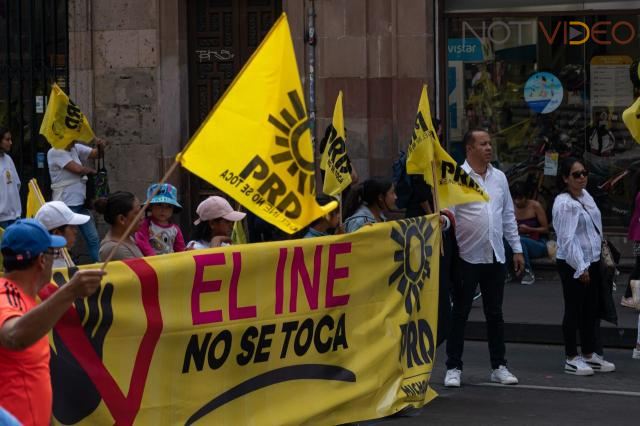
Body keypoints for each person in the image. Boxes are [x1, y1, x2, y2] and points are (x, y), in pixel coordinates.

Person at [0, 219, 105, 425]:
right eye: (54, 253)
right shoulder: (6, 295)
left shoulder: (24, 298)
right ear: (42, 260)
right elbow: (12, 336)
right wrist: (70, 292)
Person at [444, 129, 524, 388]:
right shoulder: (456, 177)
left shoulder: (499, 177)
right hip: (467, 256)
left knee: (495, 313)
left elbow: (508, 215)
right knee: (461, 313)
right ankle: (453, 367)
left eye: (490, 143)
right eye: (483, 144)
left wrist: (517, 248)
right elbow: (449, 214)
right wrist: (442, 221)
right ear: (470, 149)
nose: (489, 147)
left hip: (495, 255)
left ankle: (499, 366)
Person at [552, 158, 616, 375]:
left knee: (590, 309)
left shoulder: (586, 196)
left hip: (593, 260)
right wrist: (581, 267)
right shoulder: (564, 203)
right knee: (573, 309)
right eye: (576, 174)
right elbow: (567, 239)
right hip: (574, 263)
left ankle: (589, 353)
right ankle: (571, 356)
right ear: (565, 178)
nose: (582, 178)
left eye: (584, 173)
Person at [47, 139, 107, 263]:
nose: (75, 139)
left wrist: (100, 146)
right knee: (66, 240)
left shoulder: (75, 148)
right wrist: (92, 172)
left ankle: (99, 265)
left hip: (81, 203)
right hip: (66, 204)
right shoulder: (55, 151)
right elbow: (77, 169)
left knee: (93, 238)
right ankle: (64, 265)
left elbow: (97, 154)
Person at [504, 182, 549, 285]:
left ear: (526, 197)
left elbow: (545, 229)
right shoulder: (511, 207)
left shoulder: (535, 206)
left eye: (520, 198)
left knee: (520, 241)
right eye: (515, 199)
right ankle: (506, 272)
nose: (517, 202)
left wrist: (530, 229)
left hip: (536, 243)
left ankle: (527, 271)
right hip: (517, 241)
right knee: (507, 241)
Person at [35, 201, 90, 268]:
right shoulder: (48, 264)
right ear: (56, 233)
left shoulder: (61, 252)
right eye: (72, 227)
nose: (76, 231)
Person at [134, 183, 185, 256]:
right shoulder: (145, 224)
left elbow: (180, 249)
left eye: (169, 206)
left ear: (173, 209)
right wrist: (153, 257)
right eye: (159, 205)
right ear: (151, 206)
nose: (163, 210)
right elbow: (142, 242)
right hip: (152, 263)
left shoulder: (175, 229)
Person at [95, 192, 144, 261]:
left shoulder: (128, 237)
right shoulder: (115, 249)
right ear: (121, 219)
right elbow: (142, 271)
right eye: (136, 213)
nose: (142, 217)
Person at [0, 128, 21, 229]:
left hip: (15, 216)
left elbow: (17, 184)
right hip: (1, 219)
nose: (10, 142)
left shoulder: (8, 159)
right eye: (7, 140)